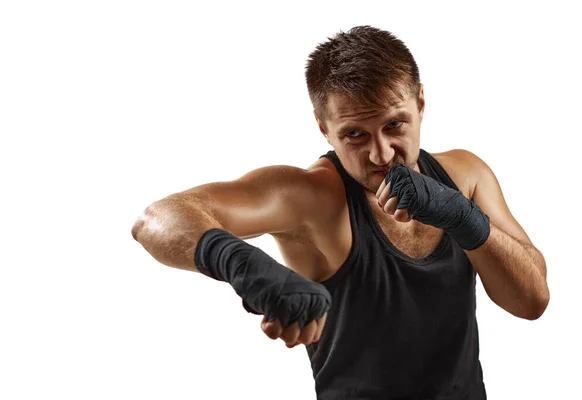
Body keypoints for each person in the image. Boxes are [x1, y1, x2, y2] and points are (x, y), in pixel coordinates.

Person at [131, 25, 549, 400]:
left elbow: (533, 300)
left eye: (395, 125)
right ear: (323, 127)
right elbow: (156, 220)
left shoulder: (466, 175)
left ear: (421, 104)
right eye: (354, 134)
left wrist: (462, 216)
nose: (381, 153)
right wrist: (241, 263)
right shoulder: (313, 198)